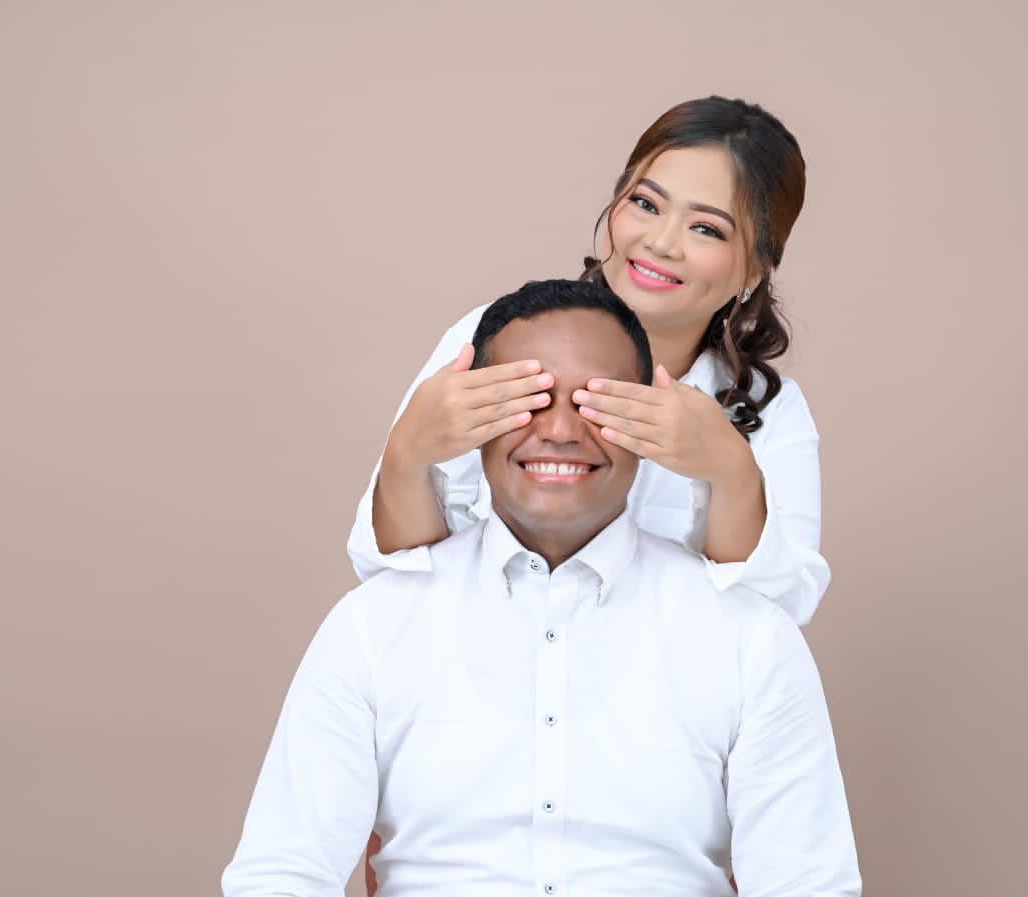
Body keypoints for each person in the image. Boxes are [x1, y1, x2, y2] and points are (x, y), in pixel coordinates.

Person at [221, 280, 862, 897]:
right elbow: (277, 884)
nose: (559, 430)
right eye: (527, 398)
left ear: (648, 417)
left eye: (596, 402)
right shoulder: (372, 627)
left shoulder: (749, 638)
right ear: (470, 418)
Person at [348, 95, 827, 626]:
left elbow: (777, 621)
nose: (661, 243)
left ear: (755, 271)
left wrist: (731, 473)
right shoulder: (492, 340)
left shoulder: (770, 413)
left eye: (706, 229)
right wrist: (407, 454)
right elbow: (393, 579)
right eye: (646, 204)